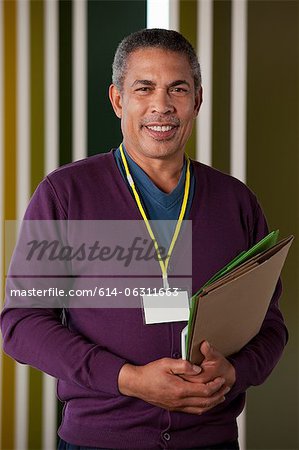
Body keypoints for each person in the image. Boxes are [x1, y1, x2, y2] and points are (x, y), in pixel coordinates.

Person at [1, 29, 287, 450]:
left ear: (198, 100)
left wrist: (234, 372)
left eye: (178, 89)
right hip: (97, 441)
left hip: (211, 441)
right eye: (144, 88)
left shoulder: (236, 202)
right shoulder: (67, 194)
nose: (162, 106)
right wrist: (128, 380)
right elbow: (21, 324)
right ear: (118, 100)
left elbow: (270, 327)